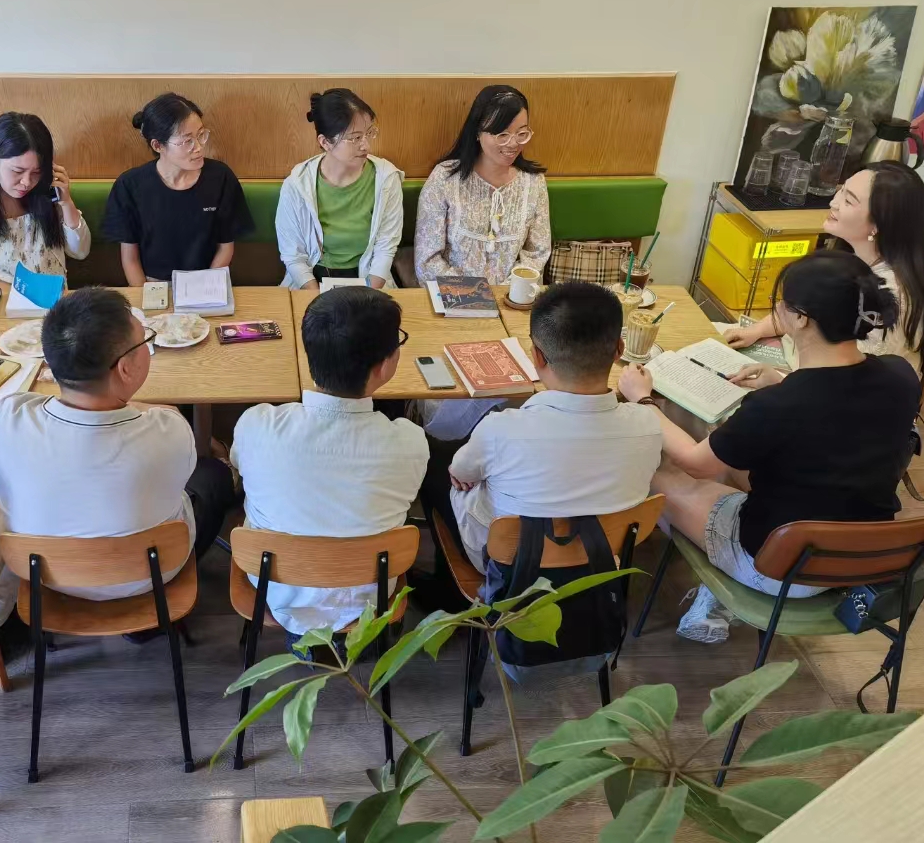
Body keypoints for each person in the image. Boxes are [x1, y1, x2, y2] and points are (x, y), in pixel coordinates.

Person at [621, 250, 920, 643]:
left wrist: (642, 399)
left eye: (782, 303)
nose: (777, 309)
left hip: (780, 566)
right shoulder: (901, 376)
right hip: (858, 557)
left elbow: (695, 463)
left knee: (656, 468)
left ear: (802, 318)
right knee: (726, 446)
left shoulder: (781, 405)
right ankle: (713, 592)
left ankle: (715, 589)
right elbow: (839, 411)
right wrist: (781, 379)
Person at [0, 287, 235, 602]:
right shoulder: (169, 431)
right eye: (145, 340)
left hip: (48, 577)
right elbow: (172, 440)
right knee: (213, 474)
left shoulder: (8, 417)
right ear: (125, 368)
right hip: (150, 575)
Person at [418, 282, 661, 581]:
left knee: (433, 459)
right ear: (619, 351)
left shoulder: (500, 429)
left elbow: (460, 474)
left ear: (537, 357)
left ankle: (445, 589)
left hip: (507, 566)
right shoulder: (649, 427)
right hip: (599, 563)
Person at [231, 287, 427, 636]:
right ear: (385, 366)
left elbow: (237, 465)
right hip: (371, 595)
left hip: (275, 588)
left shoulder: (257, 425)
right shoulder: (410, 442)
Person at [726, 162, 924, 378]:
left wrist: (779, 383)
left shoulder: (889, 297)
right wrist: (756, 331)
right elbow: (803, 306)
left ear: (878, 225)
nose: (833, 202)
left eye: (848, 201)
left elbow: (846, 382)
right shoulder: (853, 260)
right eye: (841, 190)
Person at [102, 93, 254, 285]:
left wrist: (204, 287)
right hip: (153, 285)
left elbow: (225, 247)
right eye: (187, 141)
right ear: (158, 145)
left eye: (201, 135)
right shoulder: (130, 185)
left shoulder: (220, 178)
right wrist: (145, 295)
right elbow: (130, 258)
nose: (198, 147)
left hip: (207, 281)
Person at [413, 85, 551, 286]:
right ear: (478, 132)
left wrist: (507, 293)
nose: (513, 144)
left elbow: (536, 254)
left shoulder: (534, 182)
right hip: (452, 296)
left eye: (521, 133)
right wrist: (474, 297)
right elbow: (427, 261)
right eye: (502, 134)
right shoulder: (445, 178)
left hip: (511, 298)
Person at [0, 111, 91, 286]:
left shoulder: (46, 190)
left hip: (56, 300)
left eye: (36, 172)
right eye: (17, 171)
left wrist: (66, 203)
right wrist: (32, 296)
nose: (27, 182)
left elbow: (80, 252)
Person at [276, 89, 405, 290]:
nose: (366, 146)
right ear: (325, 142)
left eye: (369, 133)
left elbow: (385, 247)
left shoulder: (386, 179)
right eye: (355, 138)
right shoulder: (297, 184)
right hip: (311, 281)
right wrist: (317, 299)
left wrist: (367, 298)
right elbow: (294, 256)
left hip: (368, 279)